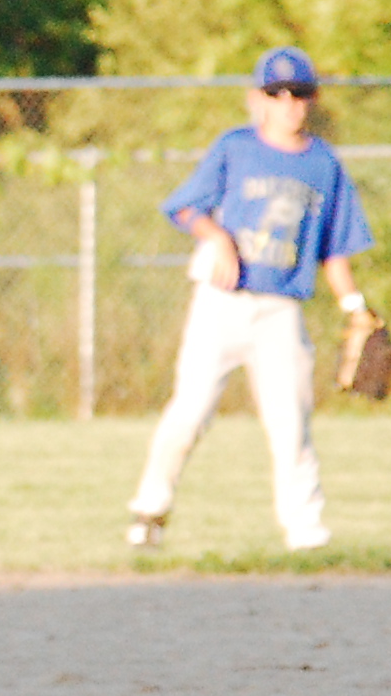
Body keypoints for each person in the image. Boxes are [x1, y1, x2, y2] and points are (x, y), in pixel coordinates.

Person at [125, 45, 374, 553]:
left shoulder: (324, 165)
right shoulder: (235, 148)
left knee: (291, 423)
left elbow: (334, 251)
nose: (288, 103)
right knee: (190, 412)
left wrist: (354, 306)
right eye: (276, 92)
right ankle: (150, 511)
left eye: (299, 92)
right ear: (256, 98)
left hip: (281, 309)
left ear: (313, 99)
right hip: (221, 301)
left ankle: (305, 530)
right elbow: (184, 208)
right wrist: (216, 237)